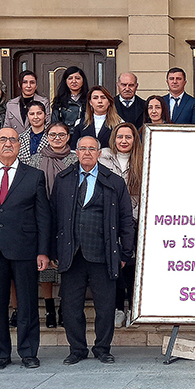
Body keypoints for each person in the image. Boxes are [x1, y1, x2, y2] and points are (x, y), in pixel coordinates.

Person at [0, 126, 53, 370]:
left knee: (27, 304)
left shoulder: (34, 175)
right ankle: (0, 355)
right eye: (2, 139)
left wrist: (43, 251)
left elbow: (43, 216)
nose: (7, 144)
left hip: (25, 249)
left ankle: (28, 352)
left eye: (12, 140)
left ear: (19, 145)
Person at [52, 136, 136, 365]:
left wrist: (125, 253)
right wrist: (52, 251)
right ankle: (77, 349)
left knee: (106, 306)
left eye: (92, 149)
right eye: (83, 149)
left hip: (104, 253)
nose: (87, 152)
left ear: (100, 154)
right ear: (75, 152)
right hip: (72, 254)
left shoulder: (115, 182)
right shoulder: (63, 179)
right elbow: (53, 216)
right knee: (70, 306)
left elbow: (126, 220)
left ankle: (103, 348)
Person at [23, 121, 77, 328]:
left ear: (68, 137)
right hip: (42, 215)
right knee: (45, 264)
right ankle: (49, 308)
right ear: (47, 136)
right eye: (52, 134)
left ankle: (64, 305)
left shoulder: (75, 159)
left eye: (61, 135)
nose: (57, 138)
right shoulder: (35, 160)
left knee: (66, 263)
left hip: (69, 215)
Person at [100, 121, 143, 327]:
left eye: (128, 137)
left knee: (133, 266)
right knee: (115, 264)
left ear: (134, 140)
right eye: (120, 137)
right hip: (110, 220)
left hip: (136, 220)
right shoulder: (104, 159)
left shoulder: (143, 160)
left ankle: (134, 308)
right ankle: (118, 308)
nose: (123, 141)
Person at [51, 66, 90, 131]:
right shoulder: (59, 100)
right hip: (65, 136)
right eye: (70, 78)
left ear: (83, 81)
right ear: (66, 81)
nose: (74, 81)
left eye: (77, 78)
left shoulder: (90, 99)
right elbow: (55, 123)